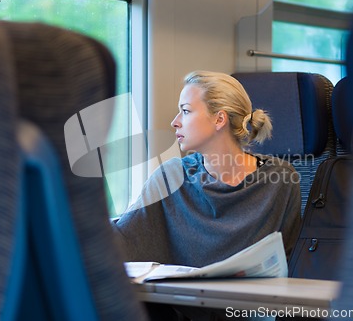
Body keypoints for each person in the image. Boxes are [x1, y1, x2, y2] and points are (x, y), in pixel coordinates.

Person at [112, 70, 301, 269]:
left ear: (219, 119)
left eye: (185, 111)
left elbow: (293, 261)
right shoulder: (171, 177)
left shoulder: (281, 179)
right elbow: (122, 238)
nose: (175, 121)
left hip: (255, 299)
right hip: (185, 300)